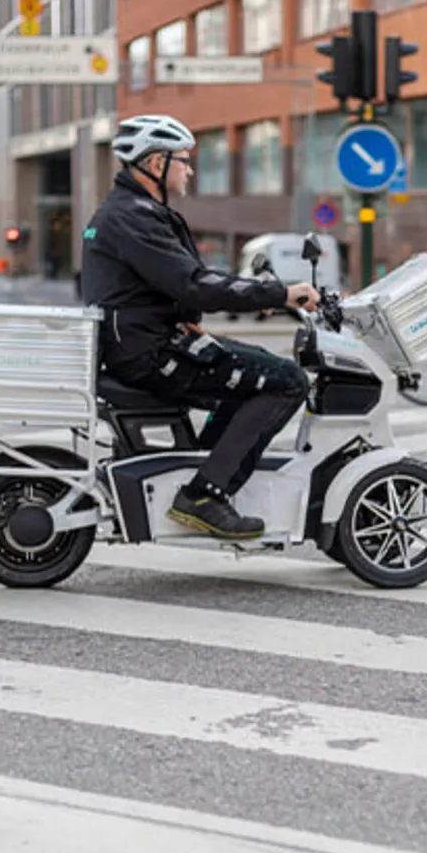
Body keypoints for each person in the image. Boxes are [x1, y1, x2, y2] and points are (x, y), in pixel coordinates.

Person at [80, 114, 320, 541]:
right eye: (184, 160)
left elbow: (184, 282)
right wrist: (278, 294)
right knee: (286, 380)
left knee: (255, 370)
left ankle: (201, 470)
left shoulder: (136, 211)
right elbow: (194, 283)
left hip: (149, 343)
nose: (189, 170)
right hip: (149, 353)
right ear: (156, 163)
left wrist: (251, 294)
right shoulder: (135, 216)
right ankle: (204, 494)